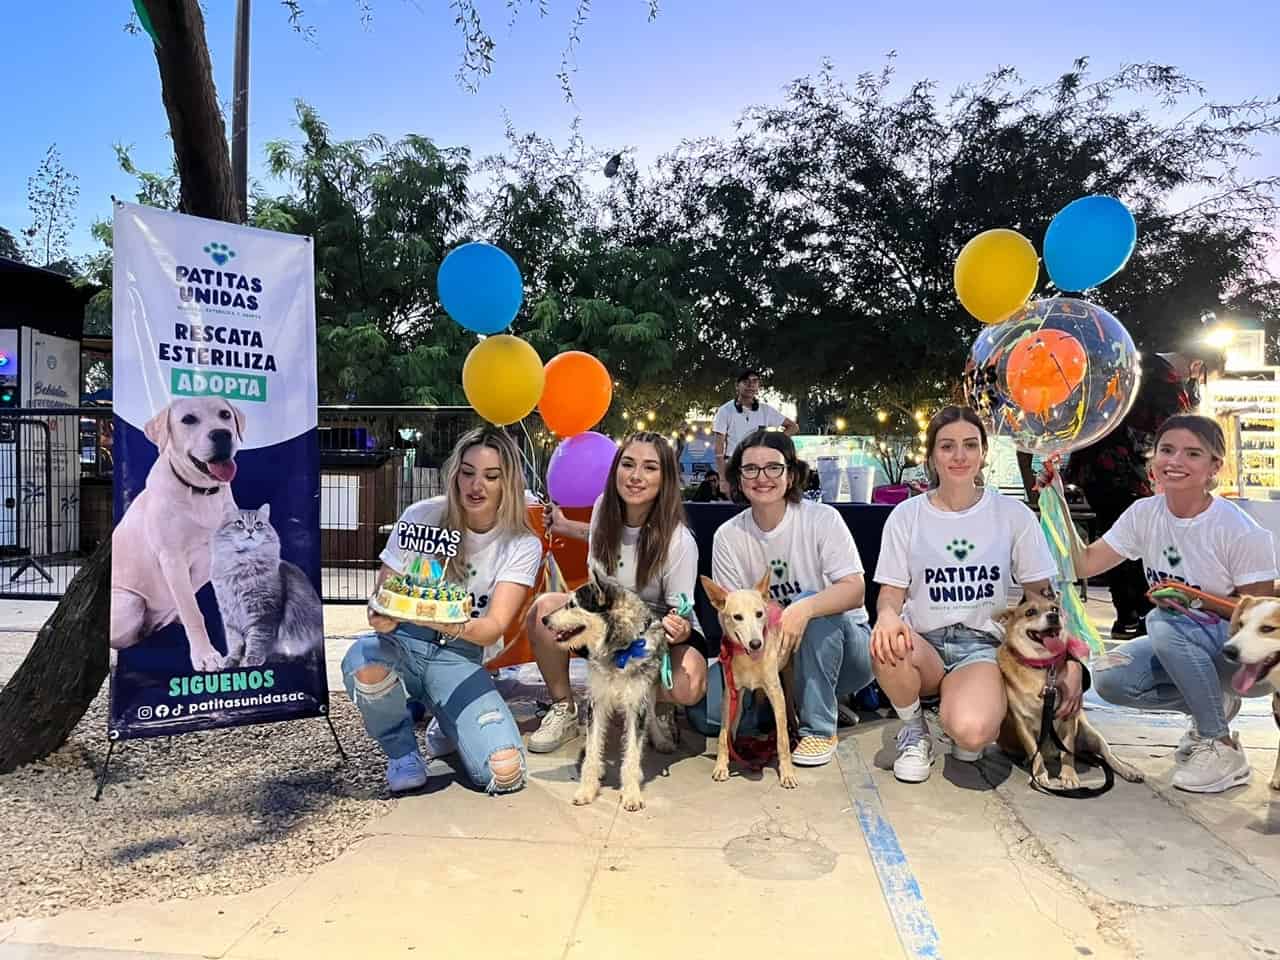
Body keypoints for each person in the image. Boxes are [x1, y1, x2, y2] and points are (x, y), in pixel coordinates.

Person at [1058, 414, 1277, 794]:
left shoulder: (1239, 530)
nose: (1175, 461)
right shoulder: (1145, 514)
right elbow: (1083, 563)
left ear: (1214, 468)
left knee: (1161, 620)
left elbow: (1260, 613)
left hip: (1244, 662)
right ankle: (1213, 706)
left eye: (1193, 453)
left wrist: (1194, 599)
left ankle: (1219, 744)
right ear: (1152, 459)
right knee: (1110, 676)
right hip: (1183, 644)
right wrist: (1054, 500)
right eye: (1167, 450)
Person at [341, 426, 543, 794]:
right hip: (403, 645)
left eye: (491, 476)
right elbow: (380, 600)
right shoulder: (421, 516)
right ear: (455, 474)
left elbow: (494, 626)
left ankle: (448, 720)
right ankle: (402, 753)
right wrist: (382, 615)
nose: (476, 486)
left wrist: (443, 619)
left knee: (505, 772)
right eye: (467, 472)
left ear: (508, 483)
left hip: (461, 657)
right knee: (363, 663)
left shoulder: (521, 543)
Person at [871, 406, 1066, 783]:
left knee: (972, 735)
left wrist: (1065, 660)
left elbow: (1041, 596)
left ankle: (960, 707)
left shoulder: (1013, 514)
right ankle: (914, 729)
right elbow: (890, 595)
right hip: (923, 643)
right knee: (884, 639)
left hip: (979, 645)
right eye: (947, 446)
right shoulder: (906, 516)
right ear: (930, 457)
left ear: (983, 453)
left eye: (969, 445)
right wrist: (887, 616)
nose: (959, 456)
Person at [526, 431, 708, 753]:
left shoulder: (680, 541)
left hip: (658, 630)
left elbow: (677, 616)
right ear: (615, 470)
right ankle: (564, 709)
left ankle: (657, 704)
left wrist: (671, 633)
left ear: (665, 478)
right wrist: (566, 526)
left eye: (650, 468)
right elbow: (605, 564)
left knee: (687, 685)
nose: (636, 476)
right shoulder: (602, 509)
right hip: (607, 624)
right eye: (628, 464)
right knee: (544, 610)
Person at [710, 427, 873, 767]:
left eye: (773, 467)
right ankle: (801, 700)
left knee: (814, 603)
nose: (762, 477)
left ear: (792, 474)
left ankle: (818, 728)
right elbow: (728, 615)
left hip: (846, 651)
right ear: (738, 479)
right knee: (706, 713)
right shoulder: (728, 536)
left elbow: (855, 590)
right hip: (768, 654)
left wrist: (801, 609)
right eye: (750, 469)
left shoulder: (822, 519)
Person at [1063, 346, 1226, 638]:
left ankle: (1128, 616)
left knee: (1117, 541)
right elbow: (1172, 432)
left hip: (1094, 470)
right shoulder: (1165, 384)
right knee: (1134, 547)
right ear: (1197, 364)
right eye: (1201, 377)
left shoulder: (1127, 363)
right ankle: (1139, 615)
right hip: (1125, 475)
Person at [712, 369, 797, 497]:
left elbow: (793, 427)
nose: (751, 385)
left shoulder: (766, 410)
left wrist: (773, 441)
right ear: (737, 386)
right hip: (734, 466)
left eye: (755, 382)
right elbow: (718, 450)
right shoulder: (725, 411)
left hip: (759, 465)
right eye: (746, 382)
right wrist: (723, 479)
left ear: (758, 386)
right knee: (738, 506)